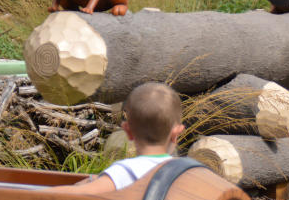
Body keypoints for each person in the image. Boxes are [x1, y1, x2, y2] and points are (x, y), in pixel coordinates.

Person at [46, 82, 185, 194]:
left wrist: (43, 191)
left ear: (128, 131)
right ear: (176, 134)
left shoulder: (124, 172)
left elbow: (79, 194)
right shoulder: (185, 172)